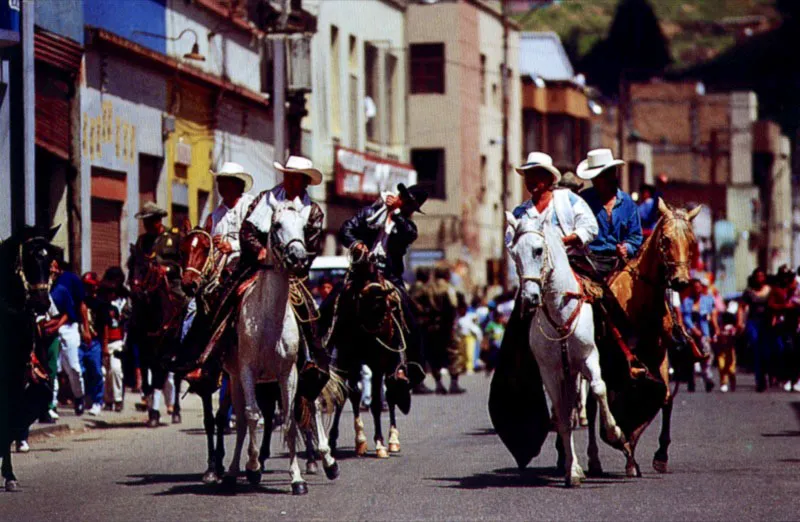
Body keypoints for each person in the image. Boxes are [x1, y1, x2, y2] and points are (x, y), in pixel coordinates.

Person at [239, 155, 329, 399]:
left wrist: (297, 265)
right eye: (287, 176)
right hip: (259, 268)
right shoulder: (264, 200)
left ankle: (312, 359)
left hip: (295, 275)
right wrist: (258, 249)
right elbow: (246, 229)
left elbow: (312, 246)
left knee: (308, 311)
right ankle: (208, 355)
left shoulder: (313, 212)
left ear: (304, 182)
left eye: (295, 177)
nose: (290, 181)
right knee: (226, 294)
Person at [333, 182, 429, 405]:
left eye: (409, 205)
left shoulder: (407, 226)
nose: (405, 206)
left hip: (389, 276)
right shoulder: (370, 212)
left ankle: (411, 366)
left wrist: (394, 212)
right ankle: (326, 358)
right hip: (361, 271)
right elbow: (346, 229)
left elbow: (406, 234)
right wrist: (356, 243)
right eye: (404, 200)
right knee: (333, 302)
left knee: (409, 313)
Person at [175, 162, 255, 375]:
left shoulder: (251, 207)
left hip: (250, 268)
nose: (221, 186)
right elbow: (205, 247)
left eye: (226, 182)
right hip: (221, 274)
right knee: (195, 307)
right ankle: (194, 358)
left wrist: (233, 246)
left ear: (238, 184)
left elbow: (259, 237)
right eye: (220, 182)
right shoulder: (214, 217)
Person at [128, 202, 186, 427]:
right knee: (133, 318)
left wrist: (167, 270)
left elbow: (182, 263)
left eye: (149, 219)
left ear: (158, 220)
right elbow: (134, 265)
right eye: (144, 220)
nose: (146, 224)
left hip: (171, 285)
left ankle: (192, 350)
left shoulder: (173, 237)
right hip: (146, 286)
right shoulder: (142, 241)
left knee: (189, 307)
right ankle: (129, 353)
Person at [50, 250, 89, 416]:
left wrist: (86, 329)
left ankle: (79, 397)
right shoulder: (43, 280)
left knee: (73, 367)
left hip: (69, 326)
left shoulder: (71, 280)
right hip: (48, 327)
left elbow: (81, 305)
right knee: (53, 367)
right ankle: (51, 404)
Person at [427, 267, 461, 394]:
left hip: (431, 327)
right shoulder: (448, 288)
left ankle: (438, 384)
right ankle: (454, 384)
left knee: (434, 355)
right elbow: (453, 305)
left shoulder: (429, 288)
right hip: (447, 326)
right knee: (453, 354)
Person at [680, 278, 718, 392]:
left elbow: (712, 316)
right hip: (691, 333)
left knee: (706, 355)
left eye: (699, 287)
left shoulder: (707, 300)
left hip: (704, 332)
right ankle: (691, 381)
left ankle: (707, 378)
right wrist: (693, 329)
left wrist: (715, 330)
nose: (697, 289)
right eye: (695, 287)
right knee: (691, 357)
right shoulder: (687, 301)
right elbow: (686, 317)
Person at [767, 265, 800, 392]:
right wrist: (784, 306)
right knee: (786, 350)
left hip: (795, 324)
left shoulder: (796, 289)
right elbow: (773, 305)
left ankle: (795, 378)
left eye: (789, 278)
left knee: (795, 351)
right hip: (785, 324)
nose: (787, 280)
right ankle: (786, 377)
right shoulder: (778, 290)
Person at [100, 267, 128, 411]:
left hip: (118, 341)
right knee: (106, 373)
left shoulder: (124, 299)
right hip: (106, 341)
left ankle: (118, 399)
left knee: (116, 370)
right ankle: (108, 399)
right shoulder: (104, 303)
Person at [80, 272, 106, 416]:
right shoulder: (80, 301)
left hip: (95, 341)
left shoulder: (100, 304)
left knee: (96, 371)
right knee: (80, 370)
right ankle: (85, 397)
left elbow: (105, 327)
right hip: (80, 341)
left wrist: (105, 345)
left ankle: (97, 401)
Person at [409, 268, 434, 394]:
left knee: (416, 353)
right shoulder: (421, 288)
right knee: (420, 354)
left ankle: (417, 382)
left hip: (415, 323)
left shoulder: (414, 287)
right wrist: (424, 310)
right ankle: (419, 383)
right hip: (420, 324)